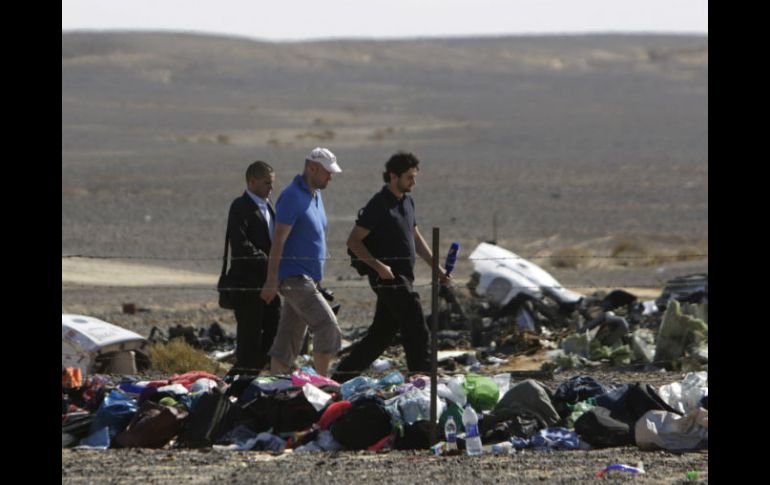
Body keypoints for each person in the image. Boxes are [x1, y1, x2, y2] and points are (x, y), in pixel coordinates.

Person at [331, 151, 450, 383]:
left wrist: (437, 269)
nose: (413, 182)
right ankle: (423, 376)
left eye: (414, 177)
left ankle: (340, 378)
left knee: (381, 336)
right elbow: (353, 241)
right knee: (415, 320)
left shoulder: (407, 201)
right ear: (394, 177)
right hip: (387, 278)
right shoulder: (379, 204)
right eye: (409, 177)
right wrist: (378, 267)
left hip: (405, 276)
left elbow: (415, 237)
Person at [261, 147, 343, 376]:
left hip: (309, 279)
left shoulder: (316, 195)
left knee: (289, 336)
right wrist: (271, 281)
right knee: (327, 326)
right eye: (327, 172)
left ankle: (276, 382)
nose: (330, 177)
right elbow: (278, 240)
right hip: (294, 279)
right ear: (312, 168)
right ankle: (323, 383)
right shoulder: (292, 196)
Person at [226, 161, 281, 374]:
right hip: (247, 285)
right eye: (267, 183)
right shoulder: (240, 207)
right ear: (252, 182)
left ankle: (252, 377)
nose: (271, 188)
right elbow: (240, 245)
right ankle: (239, 384)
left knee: (274, 333)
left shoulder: (269, 206)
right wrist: (269, 262)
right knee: (249, 342)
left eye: (272, 183)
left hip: (270, 283)